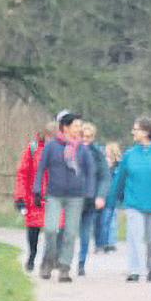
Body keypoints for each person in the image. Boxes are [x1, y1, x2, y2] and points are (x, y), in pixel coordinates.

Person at [111, 117, 151, 282]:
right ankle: (134, 270)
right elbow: (120, 179)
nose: (133, 132)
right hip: (134, 203)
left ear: (146, 132)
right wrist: (111, 200)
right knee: (134, 236)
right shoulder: (130, 155)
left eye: (136, 129)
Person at [39, 111, 96, 282]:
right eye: (76, 126)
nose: (79, 129)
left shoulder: (83, 150)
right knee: (51, 229)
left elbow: (90, 172)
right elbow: (41, 168)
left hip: (75, 196)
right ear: (65, 127)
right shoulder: (52, 147)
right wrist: (37, 190)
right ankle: (49, 260)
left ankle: (64, 267)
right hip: (54, 194)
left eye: (80, 126)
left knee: (70, 233)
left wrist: (90, 194)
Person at [14, 121, 52, 271]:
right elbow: (23, 174)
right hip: (34, 198)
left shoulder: (61, 150)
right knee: (33, 230)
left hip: (52, 198)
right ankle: (32, 255)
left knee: (52, 231)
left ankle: (47, 260)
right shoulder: (33, 149)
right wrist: (20, 197)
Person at [74, 121, 110, 277]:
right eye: (83, 136)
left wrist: (100, 196)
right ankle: (63, 259)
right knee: (67, 231)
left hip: (90, 199)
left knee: (85, 232)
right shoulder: (71, 150)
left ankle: (81, 262)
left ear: (93, 137)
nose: (85, 139)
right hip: (73, 197)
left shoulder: (98, 154)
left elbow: (104, 177)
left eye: (88, 137)